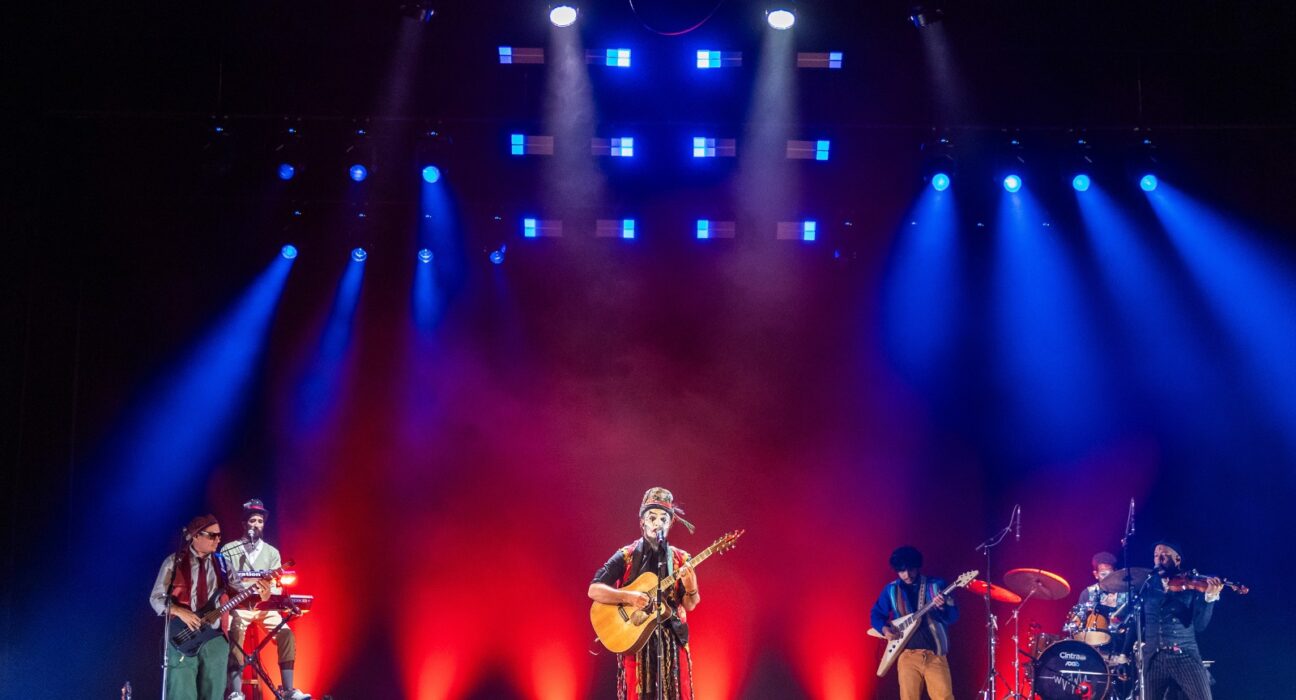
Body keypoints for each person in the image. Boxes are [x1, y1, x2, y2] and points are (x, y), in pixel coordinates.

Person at [589, 487, 699, 700]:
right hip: (636, 639)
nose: (658, 523)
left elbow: (690, 604)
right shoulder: (626, 555)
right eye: (652, 517)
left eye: (663, 519)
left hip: (672, 644)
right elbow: (594, 590)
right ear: (642, 522)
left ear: (670, 524)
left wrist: (691, 586)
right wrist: (629, 597)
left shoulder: (680, 559)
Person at [150, 514, 266, 700]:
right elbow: (156, 598)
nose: (217, 539)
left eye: (219, 535)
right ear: (195, 536)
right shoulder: (174, 562)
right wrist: (180, 611)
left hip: (215, 636)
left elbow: (241, 597)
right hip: (182, 634)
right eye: (212, 535)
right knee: (181, 692)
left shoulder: (223, 564)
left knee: (214, 693)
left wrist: (261, 594)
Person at [220, 499, 311, 700]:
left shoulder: (272, 553)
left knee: (286, 634)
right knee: (234, 632)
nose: (256, 525)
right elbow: (224, 580)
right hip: (239, 606)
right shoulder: (229, 549)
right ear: (244, 524)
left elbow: (277, 585)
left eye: (260, 521)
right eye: (252, 521)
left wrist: (268, 591)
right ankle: (235, 691)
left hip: (265, 607)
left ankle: (288, 689)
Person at [870, 546, 958, 700]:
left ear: (917, 567)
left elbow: (953, 617)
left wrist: (943, 606)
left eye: (910, 569)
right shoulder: (891, 590)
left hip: (935, 655)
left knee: (944, 697)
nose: (907, 575)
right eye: (901, 571)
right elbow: (876, 614)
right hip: (907, 656)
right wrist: (885, 630)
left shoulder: (936, 585)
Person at [1141, 540, 1223, 700]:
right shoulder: (1148, 586)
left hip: (1184, 655)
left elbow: (1200, 626)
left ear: (1177, 560)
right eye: (1156, 556)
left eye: (1164, 556)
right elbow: (1141, 618)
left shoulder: (1191, 587)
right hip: (1153, 658)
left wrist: (1210, 598)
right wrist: (1123, 652)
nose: (1159, 560)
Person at [1066, 551, 1129, 646]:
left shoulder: (1124, 594)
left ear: (1115, 573)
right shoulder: (1088, 593)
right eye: (1103, 574)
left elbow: (1130, 622)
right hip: (1092, 643)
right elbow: (1077, 622)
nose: (1108, 578)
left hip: (1120, 644)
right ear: (1096, 574)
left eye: (1110, 574)